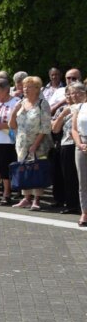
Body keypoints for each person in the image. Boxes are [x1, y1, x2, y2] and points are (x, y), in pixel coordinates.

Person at [10, 76, 52, 211]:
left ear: (37, 89)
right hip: (21, 143)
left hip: (38, 143)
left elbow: (45, 127)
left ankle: (37, 199)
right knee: (24, 169)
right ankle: (26, 198)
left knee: (36, 169)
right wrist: (14, 111)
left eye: (29, 87)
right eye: (24, 86)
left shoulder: (42, 103)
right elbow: (12, 125)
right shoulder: (21, 103)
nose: (25, 89)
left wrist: (35, 144)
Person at [69, 84, 87, 227]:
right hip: (81, 145)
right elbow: (74, 129)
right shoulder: (79, 108)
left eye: (76, 93)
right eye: (71, 93)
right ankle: (85, 212)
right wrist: (79, 144)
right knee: (82, 181)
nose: (73, 96)